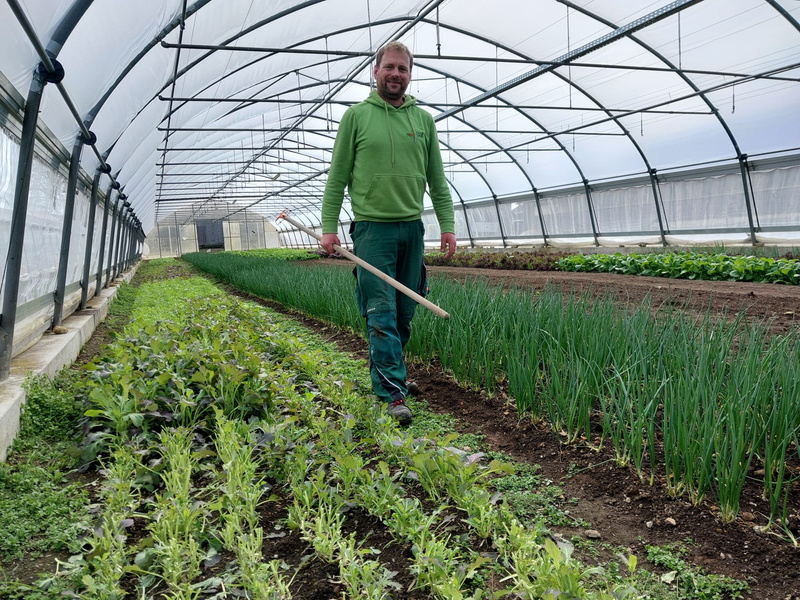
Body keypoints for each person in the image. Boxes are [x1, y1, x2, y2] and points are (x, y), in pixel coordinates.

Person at [320, 40, 457, 425]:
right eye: (390, 67)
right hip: (372, 230)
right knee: (380, 311)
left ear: (410, 74)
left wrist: (447, 226)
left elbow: (438, 181)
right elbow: (337, 178)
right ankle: (392, 390)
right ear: (375, 71)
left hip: (412, 228)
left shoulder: (423, 121)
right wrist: (328, 229)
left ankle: (390, 373)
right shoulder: (356, 117)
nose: (396, 74)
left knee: (403, 311)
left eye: (403, 69)